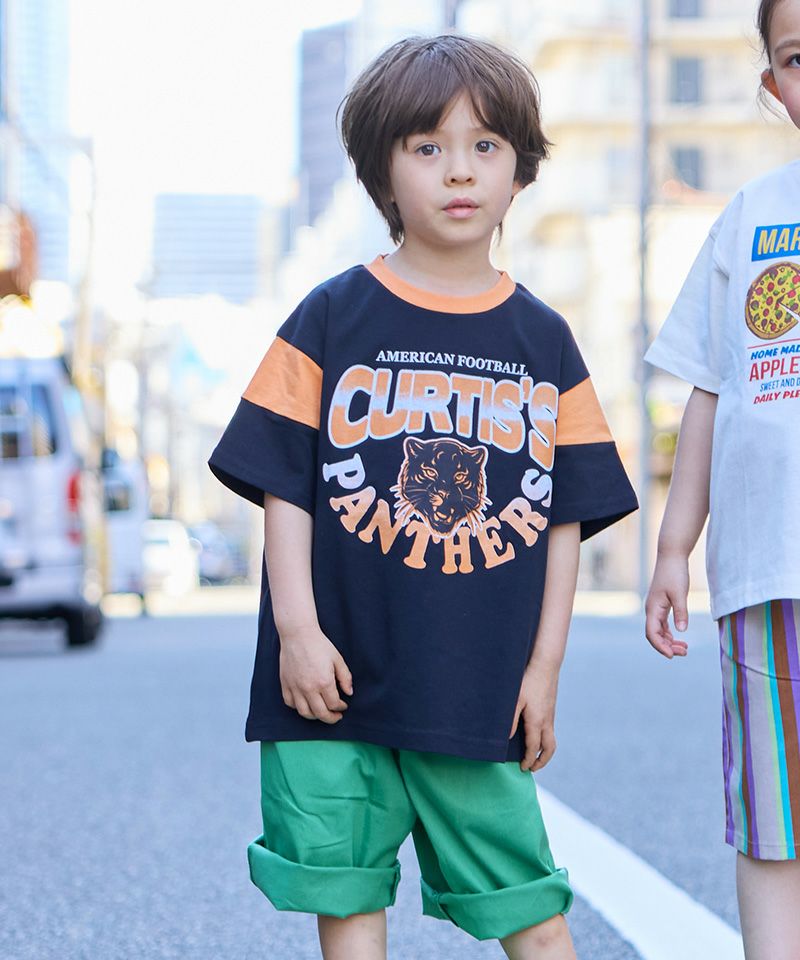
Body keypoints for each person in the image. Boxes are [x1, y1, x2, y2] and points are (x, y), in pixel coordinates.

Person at [210, 34, 637, 960]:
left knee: (529, 906)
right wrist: (297, 633)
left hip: (474, 687)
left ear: (521, 170)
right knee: (347, 896)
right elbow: (283, 486)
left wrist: (544, 669)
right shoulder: (331, 314)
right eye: (427, 146)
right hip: (330, 682)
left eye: (486, 145)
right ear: (383, 171)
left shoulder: (543, 339)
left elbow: (566, 517)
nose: (459, 171)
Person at [644, 3, 800, 957]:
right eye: (799, 56)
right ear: (774, 85)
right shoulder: (748, 217)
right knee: (774, 815)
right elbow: (709, 387)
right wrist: (674, 547)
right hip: (764, 567)